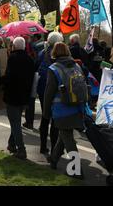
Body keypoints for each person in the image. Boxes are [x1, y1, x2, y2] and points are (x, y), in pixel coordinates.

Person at [44, 42, 88, 179]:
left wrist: (46, 111)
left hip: (62, 110)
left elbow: (49, 92)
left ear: (54, 53)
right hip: (77, 108)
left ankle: (76, 170)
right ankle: (54, 158)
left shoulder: (53, 69)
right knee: (64, 135)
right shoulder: (76, 66)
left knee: (68, 139)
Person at [0, 37, 35, 159]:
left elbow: (9, 77)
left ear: (14, 46)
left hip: (13, 95)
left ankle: (21, 149)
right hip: (25, 96)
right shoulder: (30, 59)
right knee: (16, 121)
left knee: (15, 124)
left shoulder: (13, 58)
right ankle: (12, 144)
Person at [37, 32, 63, 154]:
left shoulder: (42, 53)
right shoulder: (60, 54)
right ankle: (53, 148)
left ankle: (43, 146)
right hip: (57, 90)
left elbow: (36, 67)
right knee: (55, 120)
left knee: (45, 117)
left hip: (43, 89)